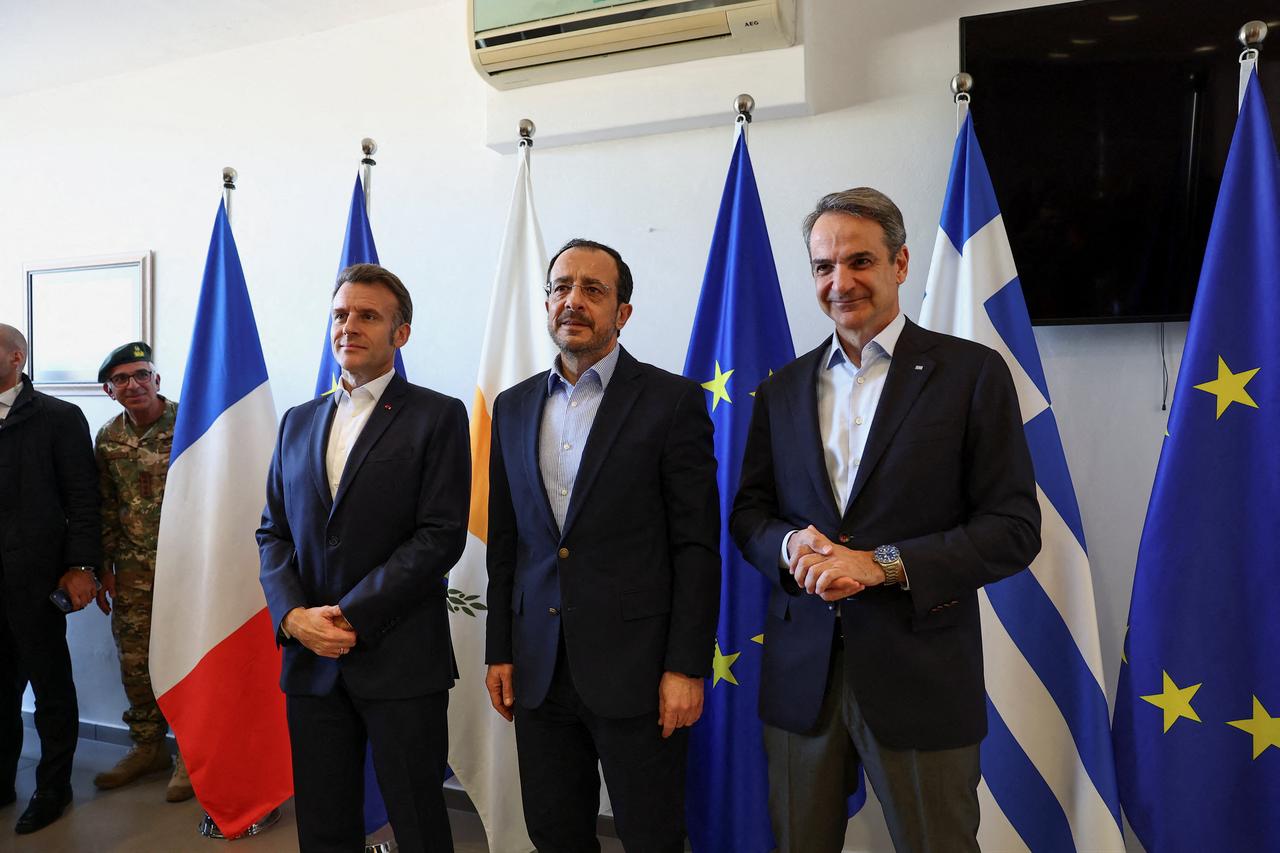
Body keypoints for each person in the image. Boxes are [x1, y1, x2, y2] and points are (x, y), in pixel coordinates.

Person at [729, 188, 1042, 853]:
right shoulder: (781, 389)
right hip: (801, 681)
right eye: (823, 266)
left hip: (922, 676)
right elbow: (750, 514)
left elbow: (1013, 528)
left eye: (860, 261)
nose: (840, 282)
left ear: (900, 264)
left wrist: (882, 564)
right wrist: (791, 545)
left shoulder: (970, 374)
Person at [484, 238, 720, 852]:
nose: (574, 301)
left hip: (639, 671)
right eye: (562, 287)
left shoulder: (671, 402)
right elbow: (506, 544)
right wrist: (499, 651)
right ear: (547, 302)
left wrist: (685, 667)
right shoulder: (512, 407)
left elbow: (696, 548)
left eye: (594, 289)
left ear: (623, 312)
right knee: (554, 832)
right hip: (539, 668)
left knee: (651, 835)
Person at [257, 263, 469, 853]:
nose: (349, 326)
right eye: (341, 315)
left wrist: (349, 616)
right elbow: (273, 532)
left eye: (368, 316)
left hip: (400, 656)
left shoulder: (437, 415)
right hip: (311, 658)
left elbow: (439, 535)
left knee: (419, 820)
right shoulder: (297, 421)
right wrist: (293, 617)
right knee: (324, 823)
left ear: (401, 333)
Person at [0, 323, 101, 835]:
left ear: (16, 357)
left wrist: (82, 566)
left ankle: (53, 788)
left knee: (50, 688)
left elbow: (83, 498)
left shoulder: (59, 417)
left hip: (36, 577)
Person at [91, 341, 193, 802]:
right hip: (132, 569)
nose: (133, 384)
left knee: (189, 657)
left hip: (187, 566)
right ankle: (147, 746)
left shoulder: (191, 423)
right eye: (121, 379)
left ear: (157, 380)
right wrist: (105, 568)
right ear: (109, 390)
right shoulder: (108, 438)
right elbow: (105, 506)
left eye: (140, 374)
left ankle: (190, 753)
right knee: (135, 661)